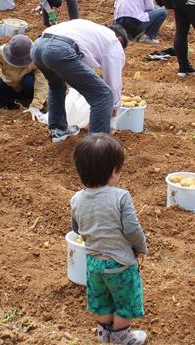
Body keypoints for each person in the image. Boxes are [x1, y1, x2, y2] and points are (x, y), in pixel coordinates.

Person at [71, 135, 148, 345]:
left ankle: (104, 335)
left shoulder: (76, 199)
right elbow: (132, 229)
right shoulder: (121, 197)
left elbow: (77, 228)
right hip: (120, 263)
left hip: (93, 263)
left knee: (101, 299)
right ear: (113, 171)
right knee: (125, 300)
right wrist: (141, 247)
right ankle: (122, 338)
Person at [30, 19, 128, 143]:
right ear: (120, 40)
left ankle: (59, 130)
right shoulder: (113, 42)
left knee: (56, 86)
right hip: (59, 50)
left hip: (38, 46)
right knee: (102, 94)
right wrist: (112, 118)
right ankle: (97, 145)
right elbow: (113, 84)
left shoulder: (91, 30)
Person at [0, 34, 46, 120]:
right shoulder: (0, 52)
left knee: (29, 81)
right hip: (9, 86)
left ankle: (28, 101)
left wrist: (36, 105)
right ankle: (9, 103)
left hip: (27, 89)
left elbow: (43, 82)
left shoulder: (38, 57)